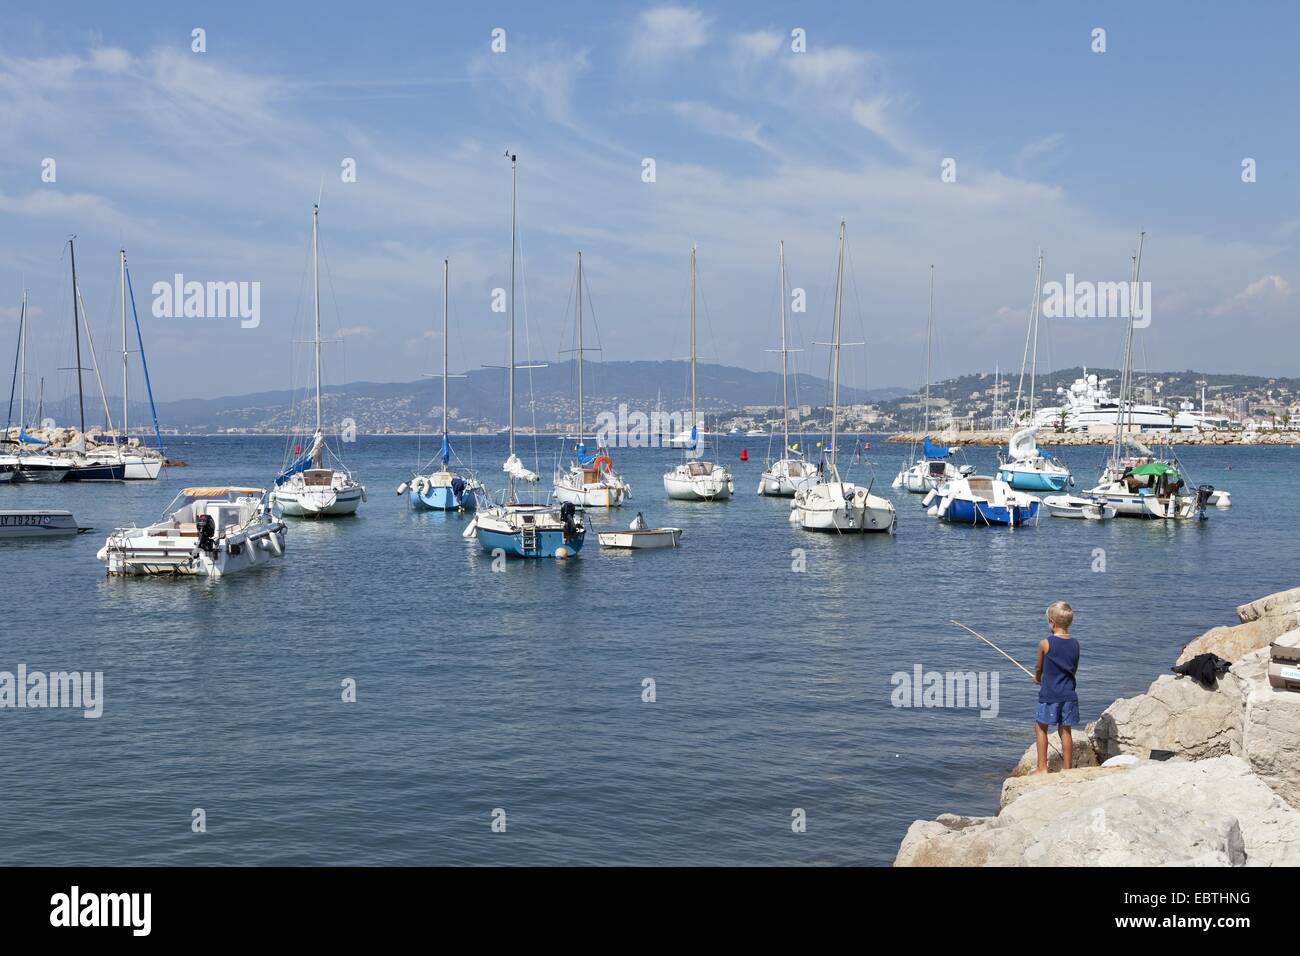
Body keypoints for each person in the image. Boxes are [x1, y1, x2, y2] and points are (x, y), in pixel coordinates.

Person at [1034, 601, 1080, 774]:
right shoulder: (1075, 644)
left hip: (1050, 694)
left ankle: (1042, 768)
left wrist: (1038, 678)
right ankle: (1067, 769)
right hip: (1069, 694)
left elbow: (1039, 668)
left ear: (1052, 622)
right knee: (1065, 730)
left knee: (1040, 727)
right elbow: (1073, 669)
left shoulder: (1045, 643)